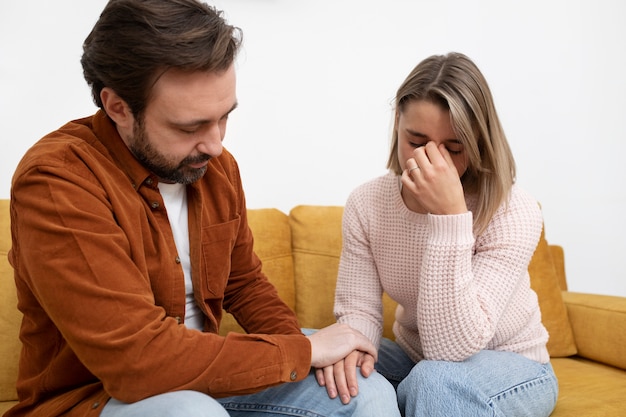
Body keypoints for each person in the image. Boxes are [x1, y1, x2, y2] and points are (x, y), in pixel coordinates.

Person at [5, 1, 399, 416]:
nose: (215, 144)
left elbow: (244, 284)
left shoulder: (214, 168)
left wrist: (314, 354)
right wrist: (300, 350)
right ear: (118, 107)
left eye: (223, 117)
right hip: (96, 399)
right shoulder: (57, 181)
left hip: (206, 382)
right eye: (190, 126)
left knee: (364, 392)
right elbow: (137, 362)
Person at [333, 52, 559, 417]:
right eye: (416, 141)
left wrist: (450, 217)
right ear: (397, 123)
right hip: (414, 358)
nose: (432, 162)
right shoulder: (367, 203)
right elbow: (359, 313)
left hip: (512, 366)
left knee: (435, 381)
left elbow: (452, 350)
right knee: (318, 347)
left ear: (479, 140)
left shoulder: (513, 209)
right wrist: (351, 354)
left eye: (454, 148)